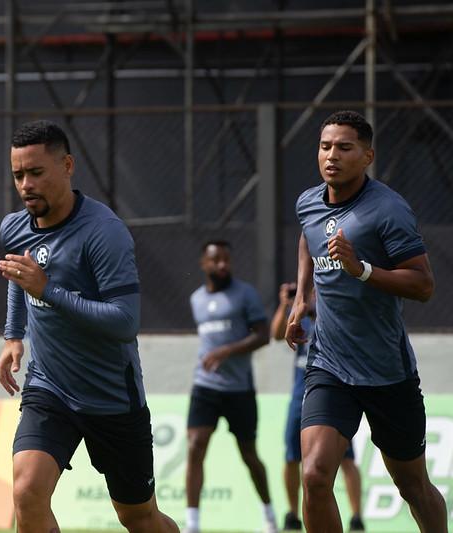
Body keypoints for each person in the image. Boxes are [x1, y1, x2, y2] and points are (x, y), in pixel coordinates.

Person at [0, 120, 178, 533]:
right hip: (50, 388)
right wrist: (13, 335)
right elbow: (19, 274)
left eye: (36, 172)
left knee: (139, 517)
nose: (26, 185)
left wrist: (48, 290)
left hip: (111, 397)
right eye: (18, 175)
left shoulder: (103, 233)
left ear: (67, 166)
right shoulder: (15, 226)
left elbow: (124, 322)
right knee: (27, 492)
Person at [285, 110, 448, 532]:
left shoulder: (388, 210)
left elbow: (423, 284)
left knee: (413, 486)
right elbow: (308, 236)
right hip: (329, 365)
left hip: (386, 372)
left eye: (344, 147)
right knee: (314, 475)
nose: (332, 156)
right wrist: (302, 298)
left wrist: (362, 270)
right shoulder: (308, 202)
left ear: (367, 156)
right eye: (325, 146)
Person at [185, 240, 277, 533]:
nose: (222, 265)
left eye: (226, 259)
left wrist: (226, 351)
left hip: (239, 389)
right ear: (203, 264)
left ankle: (269, 516)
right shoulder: (196, 299)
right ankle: (192, 524)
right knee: (195, 446)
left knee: (249, 454)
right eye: (216, 260)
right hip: (205, 386)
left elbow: (263, 336)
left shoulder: (245, 294)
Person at [271, 282, 364, 531]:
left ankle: (357, 516)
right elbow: (276, 334)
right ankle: (292, 514)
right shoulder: (300, 318)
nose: (312, 297)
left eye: (315, 292)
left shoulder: (332, 317)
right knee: (292, 456)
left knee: (346, 458)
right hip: (299, 396)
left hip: (331, 398)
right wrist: (285, 305)